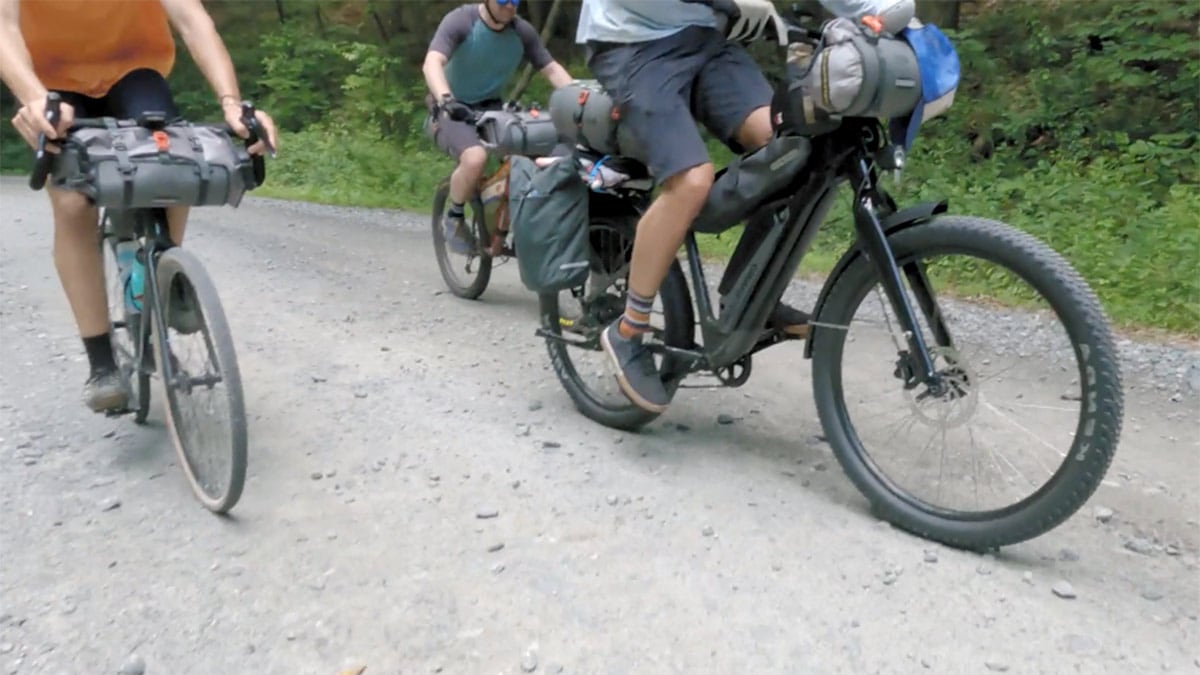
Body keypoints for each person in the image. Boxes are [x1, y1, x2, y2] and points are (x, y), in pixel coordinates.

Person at [0, 0, 279, 413]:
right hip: (53, 82)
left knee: (173, 160)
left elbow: (191, 20)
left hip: (134, 69)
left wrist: (232, 104)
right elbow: (5, 27)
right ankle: (102, 366)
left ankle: (166, 272)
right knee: (73, 203)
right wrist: (34, 98)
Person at [574, 0, 815, 414]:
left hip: (706, 39)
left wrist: (889, 13)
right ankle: (628, 329)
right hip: (631, 41)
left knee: (792, 148)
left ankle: (747, 293)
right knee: (691, 181)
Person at [422, 0, 572, 254]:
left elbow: (552, 69)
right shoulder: (462, 20)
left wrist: (581, 98)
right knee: (474, 159)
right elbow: (432, 62)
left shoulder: (521, 32)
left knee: (527, 159)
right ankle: (454, 217)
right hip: (451, 108)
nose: (510, 6)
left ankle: (500, 230)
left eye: (516, 0)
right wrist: (446, 99)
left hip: (491, 107)